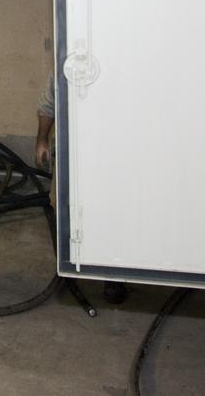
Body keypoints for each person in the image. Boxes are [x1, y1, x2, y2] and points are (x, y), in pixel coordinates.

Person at [35, 70, 126, 305]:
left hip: (108, 152)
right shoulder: (65, 66)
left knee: (108, 211)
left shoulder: (117, 67)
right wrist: (42, 140)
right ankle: (66, 267)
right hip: (70, 149)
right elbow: (48, 104)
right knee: (61, 208)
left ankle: (113, 276)